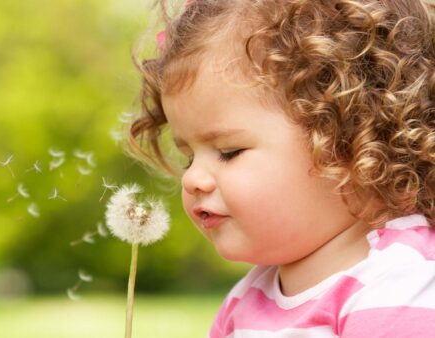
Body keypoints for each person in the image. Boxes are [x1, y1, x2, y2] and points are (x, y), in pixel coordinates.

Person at [127, 0, 435, 336]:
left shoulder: (401, 286)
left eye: (229, 152)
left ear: (350, 139)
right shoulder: (246, 299)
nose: (192, 179)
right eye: (188, 156)